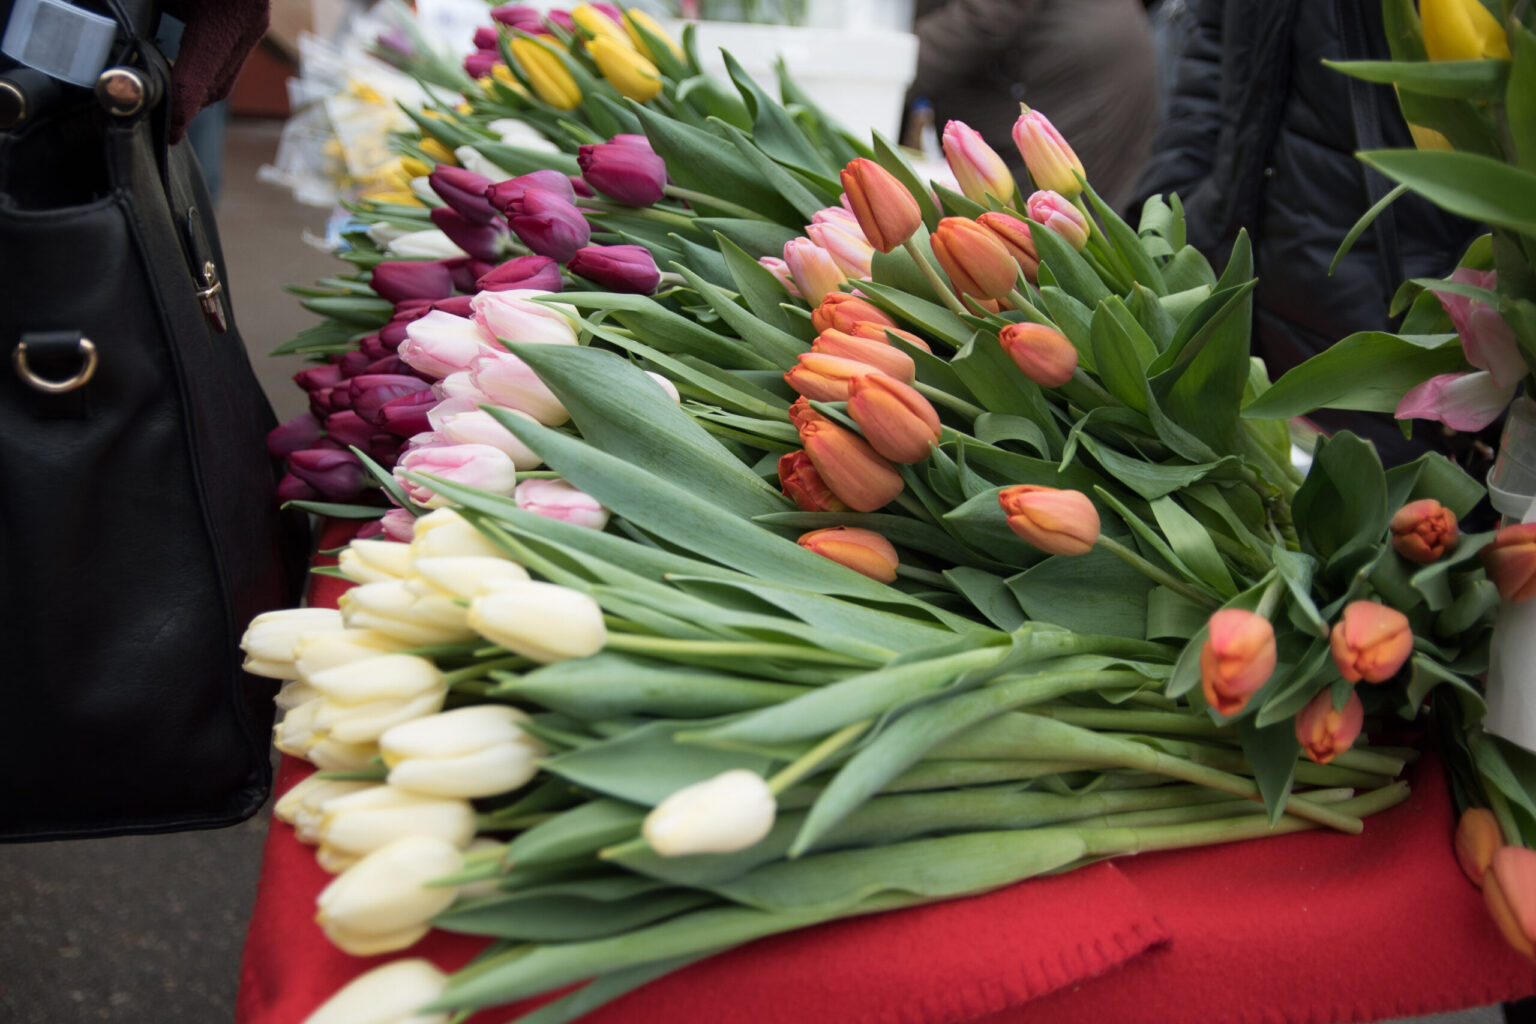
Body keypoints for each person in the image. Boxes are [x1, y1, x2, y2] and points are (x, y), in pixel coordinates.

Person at [1131, 0, 1485, 467]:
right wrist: (1166, 213)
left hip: (1400, 347)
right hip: (1237, 296)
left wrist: (1475, 335)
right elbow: (1215, 46)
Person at [904, 0, 1161, 212]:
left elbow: (987, 13)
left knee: (1056, 234)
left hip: (1070, 83)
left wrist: (891, 69)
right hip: (1021, 76)